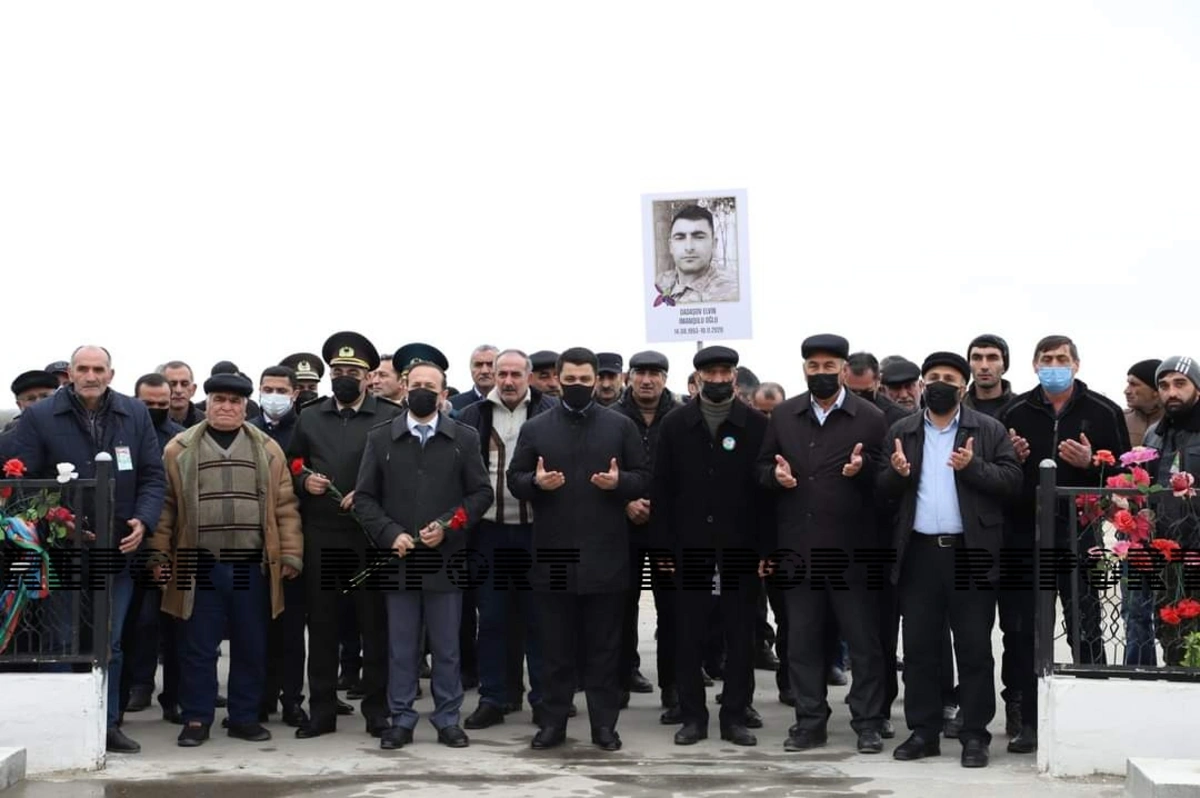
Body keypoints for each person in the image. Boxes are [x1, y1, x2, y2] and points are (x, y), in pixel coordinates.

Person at [10, 345, 167, 754]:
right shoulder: (42, 416)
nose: (91, 376)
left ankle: (105, 725)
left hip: (117, 551)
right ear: (71, 373)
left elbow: (153, 476)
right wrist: (57, 516)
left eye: (99, 369)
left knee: (109, 644)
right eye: (83, 368)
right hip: (62, 551)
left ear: (111, 374)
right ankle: (61, 729)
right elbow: (23, 481)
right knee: (62, 640)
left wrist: (144, 520)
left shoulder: (134, 413)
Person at [879, 352, 1022, 769]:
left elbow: (1012, 481)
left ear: (963, 387)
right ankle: (923, 732)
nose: (940, 383)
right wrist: (895, 474)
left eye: (950, 377)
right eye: (933, 377)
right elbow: (881, 490)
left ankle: (974, 735)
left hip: (969, 553)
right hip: (919, 553)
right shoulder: (903, 430)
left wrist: (973, 467)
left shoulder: (988, 429)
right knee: (920, 649)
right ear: (923, 384)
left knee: (974, 648)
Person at [146, 371, 303, 747]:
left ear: (245, 406)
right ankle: (196, 718)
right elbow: (165, 508)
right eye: (219, 400)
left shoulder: (267, 449)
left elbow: (285, 506)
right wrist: (157, 555)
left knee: (251, 644)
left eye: (235, 401)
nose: (227, 407)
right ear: (208, 404)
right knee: (197, 647)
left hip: (251, 565)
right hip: (199, 566)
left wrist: (291, 553)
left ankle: (244, 717)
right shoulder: (179, 448)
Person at [507, 347, 651, 751]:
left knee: (604, 652)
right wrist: (536, 484)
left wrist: (619, 485)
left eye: (584, 380)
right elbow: (515, 478)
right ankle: (552, 724)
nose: (577, 386)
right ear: (557, 378)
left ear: (596, 380)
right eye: (569, 379)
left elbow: (643, 477)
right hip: (552, 555)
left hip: (605, 555)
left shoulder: (619, 426)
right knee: (555, 651)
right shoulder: (537, 428)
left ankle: (604, 727)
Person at [997, 334, 1130, 755]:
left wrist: (1090, 465)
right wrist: (1013, 459)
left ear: (1076, 364)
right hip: (1024, 536)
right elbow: (998, 476)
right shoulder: (1014, 411)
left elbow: (1125, 477)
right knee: (1023, 631)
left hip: (1080, 535)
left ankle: (1092, 717)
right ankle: (1028, 720)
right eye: (1046, 359)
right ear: (1034, 365)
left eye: (1061, 359)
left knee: (1085, 626)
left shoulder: (1104, 411)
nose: (1053, 365)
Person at [756, 334, 888, 754]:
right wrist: (774, 476)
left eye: (829, 366)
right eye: (813, 367)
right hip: (799, 549)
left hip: (853, 552)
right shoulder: (784, 415)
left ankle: (868, 722)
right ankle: (810, 721)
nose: (821, 373)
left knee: (863, 644)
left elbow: (888, 480)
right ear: (804, 370)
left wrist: (863, 469)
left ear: (844, 370)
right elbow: (761, 467)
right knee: (802, 642)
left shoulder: (870, 417)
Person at [354, 357, 493, 750]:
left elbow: (480, 494)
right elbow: (364, 498)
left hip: (444, 560)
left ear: (443, 394)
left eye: (430, 387)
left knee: (447, 649)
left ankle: (448, 719)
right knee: (402, 650)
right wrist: (390, 533)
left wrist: (449, 525)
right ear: (404, 388)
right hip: (399, 560)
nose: (422, 392)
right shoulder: (381, 438)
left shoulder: (463, 438)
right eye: (416, 385)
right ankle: (401, 719)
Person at [288, 332, 404, 739]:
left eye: (352, 372)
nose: (344, 378)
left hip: (370, 538)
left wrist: (371, 493)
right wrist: (304, 481)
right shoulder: (310, 416)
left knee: (374, 625)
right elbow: (293, 461)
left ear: (368, 377)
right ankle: (321, 710)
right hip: (322, 535)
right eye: (337, 371)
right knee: (322, 625)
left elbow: (402, 469)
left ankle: (376, 710)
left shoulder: (389, 415)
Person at [653, 345, 768, 747]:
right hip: (689, 547)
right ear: (698, 377)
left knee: (740, 635)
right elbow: (661, 489)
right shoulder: (675, 424)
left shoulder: (755, 424)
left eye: (725, 372)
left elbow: (765, 495)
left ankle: (734, 716)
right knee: (688, 634)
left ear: (734, 376)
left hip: (741, 547)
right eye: (710, 373)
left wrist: (765, 549)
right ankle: (693, 718)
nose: (718, 379)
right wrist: (663, 548)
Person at [457, 349, 556, 729]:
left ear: (528, 376)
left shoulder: (549, 412)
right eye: (503, 374)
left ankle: (545, 700)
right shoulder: (473, 415)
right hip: (490, 533)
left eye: (516, 374)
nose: (509, 381)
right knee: (493, 618)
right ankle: (493, 698)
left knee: (541, 620)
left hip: (538, 533)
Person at [612, 351, 680, 711]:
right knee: (622, 608)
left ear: (665, 379)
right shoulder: (611, 417)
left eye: (655, 373)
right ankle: (621, 679)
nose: (647, 380)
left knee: (673, 609)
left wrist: (664, 508)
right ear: (629, 377)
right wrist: (626, 502)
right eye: (640, 373)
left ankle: (673, 686)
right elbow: (597, 469)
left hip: (669, 531)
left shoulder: (682, 416)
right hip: (624, 528)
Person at [121, 373, 186, 722]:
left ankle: (175, 696)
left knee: (175, 623)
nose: (157, 409)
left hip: (172, 543)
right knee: (140, 622)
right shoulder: (123, 435)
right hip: (133, 541)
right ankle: (140, 684)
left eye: (163, 404)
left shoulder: (180, 438)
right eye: (149, 404)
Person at [249, 365, 309, 726]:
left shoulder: (305, 429)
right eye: (267, 389)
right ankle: (260, 698)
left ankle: (292, 700)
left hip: (293, 540)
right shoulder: (249, 430)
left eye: (281, 390)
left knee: (290, 628)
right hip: (256, 543)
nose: (273, 396)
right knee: (257, 627)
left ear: (294, 394)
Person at [1142, 356, 1200, 666]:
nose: (1171, 392)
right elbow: (1146, 485)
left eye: (1180, 384)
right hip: (1165, 551)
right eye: (1164, 386)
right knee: (1170, 632)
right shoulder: (1154, 433)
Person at [653, 205, 738, 304]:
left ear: (714, 244)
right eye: (680, 238)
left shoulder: (731, 293)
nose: (689, 247)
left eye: (699, 237)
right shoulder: (658, 283)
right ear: (671, 246)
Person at [963, 335, 1014, 416]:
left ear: (1004, 365)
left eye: (992, 358)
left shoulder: (1021, 408)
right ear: (969, 365)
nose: (984, 366)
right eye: (977, 358)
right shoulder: (955, 408)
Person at [1125, 359, 1164, 447]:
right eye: (1128, 384)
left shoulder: (1177, 422)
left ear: (1156, 390)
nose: (1126, 391)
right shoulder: (1120, 420)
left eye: (1134, 384)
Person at [449, 345, 499, 411]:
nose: (484, 371)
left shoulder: (511, 403)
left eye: (490, 365)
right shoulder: (453, 406)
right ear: (470, 368)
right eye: (478, 365)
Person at [158, 361, 206, 428]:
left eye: (184, 384)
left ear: (193, 389)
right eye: (172, 384)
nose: (178, 390)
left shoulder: (206, 423)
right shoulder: (150, 421)